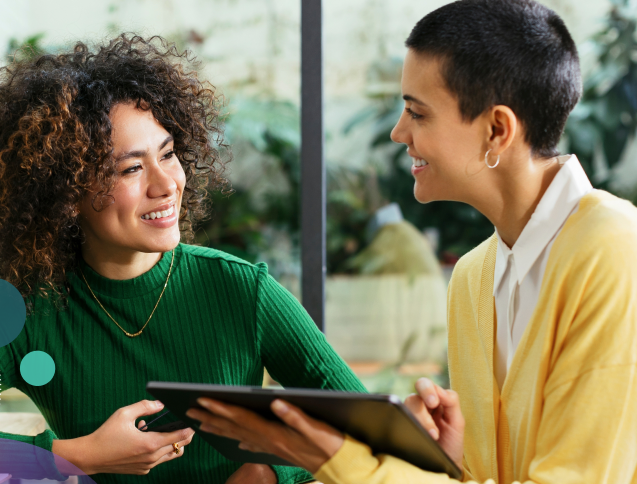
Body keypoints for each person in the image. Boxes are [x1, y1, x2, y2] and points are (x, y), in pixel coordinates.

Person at [0, 35, 367, 484]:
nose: (165, 183)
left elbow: (365, 429)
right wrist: (74, 454)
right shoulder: (30, 313)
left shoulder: (241, 291)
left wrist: (269, 472)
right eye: (131, 168)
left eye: (168, 154)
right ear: (65, 194)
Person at [187, 1, 637, 483]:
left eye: (417, 113)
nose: (399, 132)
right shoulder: (473, 277)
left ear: (497, 130)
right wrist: (444, 462)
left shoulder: (616, 250)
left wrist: (341, 459)